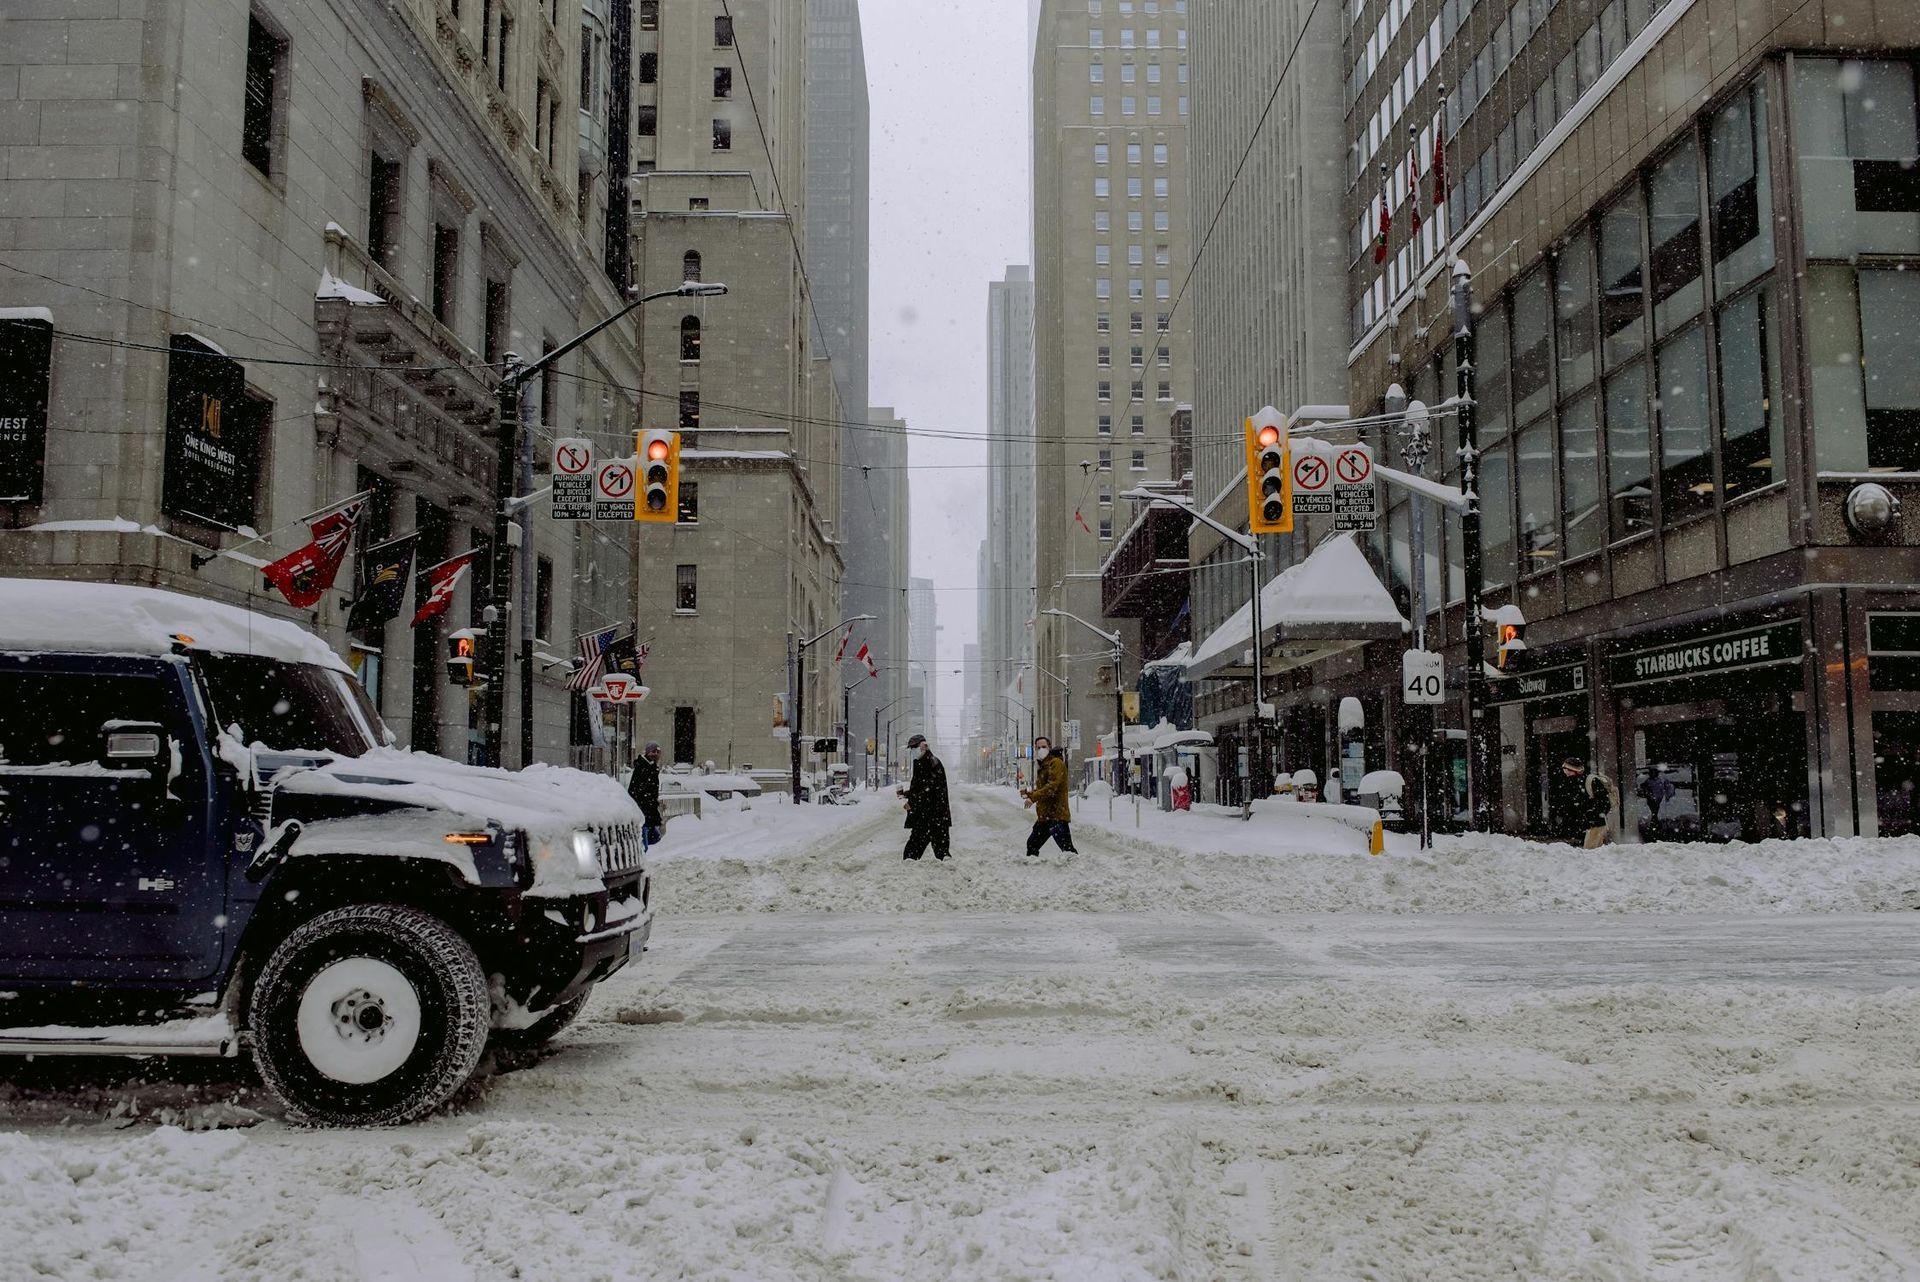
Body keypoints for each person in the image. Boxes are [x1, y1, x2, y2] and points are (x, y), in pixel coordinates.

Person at [895, 733, 951, 860]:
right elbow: (922, 788)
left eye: (914, 748)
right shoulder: (921, 762)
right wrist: (907, 794)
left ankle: (950, 876)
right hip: (927, 816)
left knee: (938, 853)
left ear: (924, 747)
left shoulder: (932, 763)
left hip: (933, 816)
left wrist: (912, 802)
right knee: (914, 853)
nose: (912, 752)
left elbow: (929, 789)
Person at [1021, 736, 1078, 856]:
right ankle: (1033, 871)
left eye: (1044, 747)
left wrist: (1034, 797)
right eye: (1038, 748)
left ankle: (1080, 871)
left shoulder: (1056, 763)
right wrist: (1030, 794)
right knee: (1032, 844)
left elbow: (1052, 786)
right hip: (1045, 816)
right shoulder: (1044, 765)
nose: (1041, 749)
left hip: (1056, 815)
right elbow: (1045, 788)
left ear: (1049, 748)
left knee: (1068, 850)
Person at [1562, 756, 1616, 848]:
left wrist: (1593, 815)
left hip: (1595, 824)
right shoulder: (1573, 782)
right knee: (1594, 852)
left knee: (1591, 852)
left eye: (1567, 770)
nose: (1566, 773)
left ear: (1575, 770)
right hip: (1587, 825)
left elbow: (1604, 802)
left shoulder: (1591, 781)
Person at [627, 741, 665, 848]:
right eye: (653, 751)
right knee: (645, 840)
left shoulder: (651, 768)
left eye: (658, 752)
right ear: (648, 753)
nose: (656, 754)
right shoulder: (643, 767)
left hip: (648, 809)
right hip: (643, 809)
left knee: (653, 837)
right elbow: (637, 790)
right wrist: (648, 801)